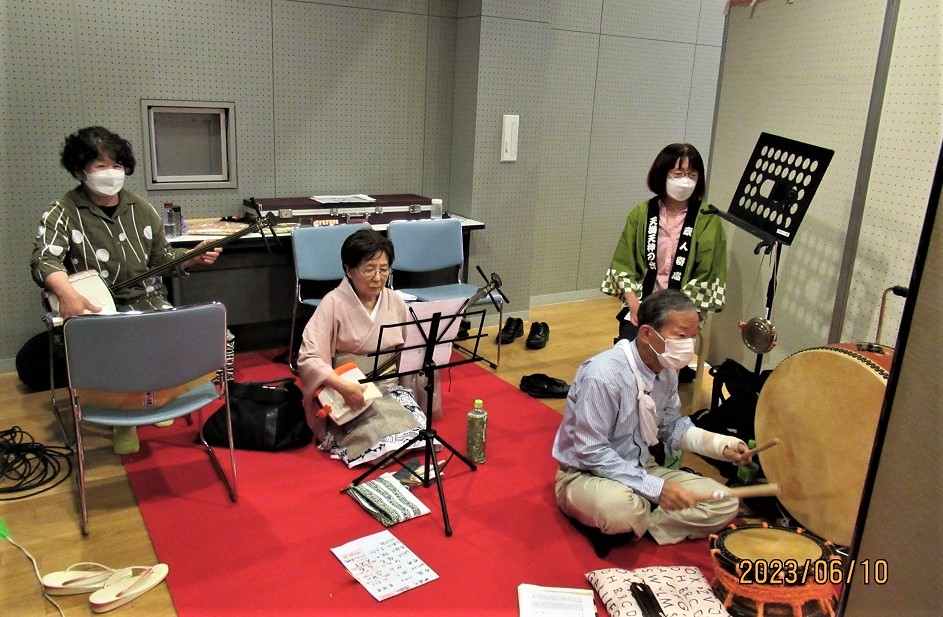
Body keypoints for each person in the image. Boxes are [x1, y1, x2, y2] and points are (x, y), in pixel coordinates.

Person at [30, 126, 223, 454]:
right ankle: (124, 419)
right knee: (118, 347)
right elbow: (44, 259)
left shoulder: (141, 209)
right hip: (95, 306)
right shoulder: (63, 211)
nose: (111, 172)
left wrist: (192, 257)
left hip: (148, 300)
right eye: (100, 166)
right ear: (80, 171)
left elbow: (161, 261)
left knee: (170, 332)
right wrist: (67, 293)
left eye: (116, 165)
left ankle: (158, 397)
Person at [552, 289, 751, 555]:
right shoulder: (603, 375)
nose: (689, 345)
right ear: (647, 334)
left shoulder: (667, 371)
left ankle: (638, 522)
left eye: (693, 336)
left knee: (726, 501)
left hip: (643, 467)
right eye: (681, 336)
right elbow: (591, 452)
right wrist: (655, 489)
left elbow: (671, 427)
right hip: (586, 474)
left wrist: (721, 446)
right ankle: (636, 513)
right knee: (618, 508)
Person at [296, 229, 425, 467]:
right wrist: (342, 386)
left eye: (384, 269)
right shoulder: (333, 303)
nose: (377, 278)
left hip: (389, 387)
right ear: (348, 269)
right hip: (350, 394)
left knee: (419, 434)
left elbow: (410, 352)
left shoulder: (395, 301)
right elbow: (309, 357)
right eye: (369, 269)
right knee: (383, 439)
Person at [601, 143, 727, 349]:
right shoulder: (642, 213)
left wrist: (678, 315)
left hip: (684, 308)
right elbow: (623, 264)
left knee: (667, 354)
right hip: (643, 302)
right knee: (629, 348)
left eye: (692, 175)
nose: (685, 180)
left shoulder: (707, 219)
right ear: (663, 174)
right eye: (678, 174)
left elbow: (707, 275)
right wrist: (634, 305)